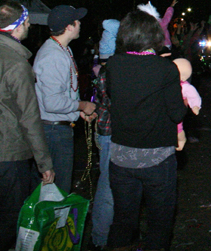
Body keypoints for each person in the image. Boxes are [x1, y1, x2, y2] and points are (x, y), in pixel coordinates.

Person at [105, 9, 187, 251]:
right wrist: (184, 101)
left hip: (121, 158)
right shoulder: (165, 69)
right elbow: (176, 114)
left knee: (123, 221)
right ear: (154, 36)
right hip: (156, 159)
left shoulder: (113, 64)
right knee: (159, 224)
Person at [0, 1, 55, 251]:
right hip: (8, 153)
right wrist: (44, 163)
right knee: (11, 218)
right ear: (17, 27)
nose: (29, 26)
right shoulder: (16, 64)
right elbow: (29, 118)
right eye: (26, 22)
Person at [33, 4, 97, 194]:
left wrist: (76, 112)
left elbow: (63, 93)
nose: (80, 24)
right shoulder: (53, 56)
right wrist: (83, 105)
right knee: (55, 193)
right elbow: (52, 103)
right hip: (53, 132)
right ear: (69, 26)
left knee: (57, 190)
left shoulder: (62, 50)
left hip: (59, 128)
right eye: (77, 21)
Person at [90, 18, 120, 250]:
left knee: (110, 183)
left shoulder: (104, 69)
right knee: (108, 186)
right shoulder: (110, 73)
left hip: (106, 133)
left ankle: (106, 234)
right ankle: (100, 238)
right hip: (110, 134)